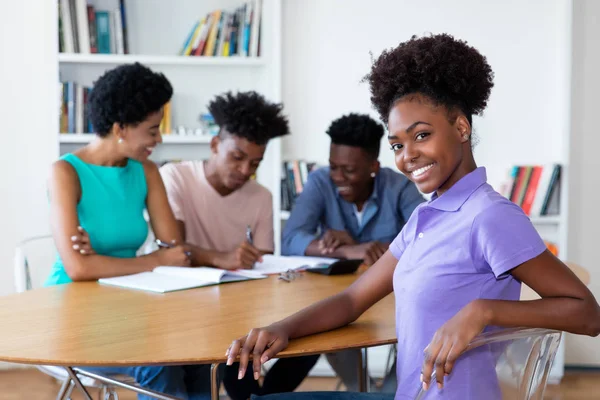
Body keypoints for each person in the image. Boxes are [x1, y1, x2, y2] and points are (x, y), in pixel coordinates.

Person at [223, 34, 600, 400]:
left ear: (461, 127)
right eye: (397, 145)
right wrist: (280, 329)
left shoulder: (490, 216)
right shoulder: (425, 217)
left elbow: (587, 314)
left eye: (421, 135)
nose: (407, 156)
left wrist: (483, 311)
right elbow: (354, 300)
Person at [45, 62, 216, 400]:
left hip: (130, 305)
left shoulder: (147, 171)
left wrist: (111, 260)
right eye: (152, 130)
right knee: (158, 357)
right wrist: (154, 259)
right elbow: (79, 270)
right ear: (121, 127)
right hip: (74, 316)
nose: (159, 139)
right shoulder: (65, 172)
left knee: (201, 350)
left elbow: (175, 251)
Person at [159, 91, 319, 399]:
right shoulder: (175, 176)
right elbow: (172, 249)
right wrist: (222, 258)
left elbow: (266, 262)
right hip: (182, 306)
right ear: (215, 145)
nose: (246, 171)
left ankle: (262, 397)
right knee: (237, 348)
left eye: (255, 163)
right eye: (237, 157)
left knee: (306, 334)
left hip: (239, 306)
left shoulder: (261, 197)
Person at [281, 113, 424, 391]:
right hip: (337, 297)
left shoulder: (399, 187)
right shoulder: (320, 181)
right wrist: (349, 250)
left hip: (391, 297)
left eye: (349, 170)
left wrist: (377, 249)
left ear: (373, 166)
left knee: (417, 331)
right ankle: (366, 392)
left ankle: (389, 393)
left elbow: (426, 238)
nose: (338, 177)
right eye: (334, 167)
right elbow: (291, 239)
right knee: (329, 327)